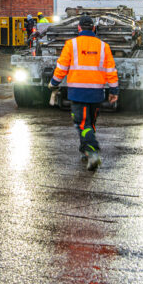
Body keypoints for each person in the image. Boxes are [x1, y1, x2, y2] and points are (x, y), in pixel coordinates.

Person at [48, 15, 119, 171]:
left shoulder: (71, 44)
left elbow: (62, 67)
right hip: (97, 93)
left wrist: (54, 83)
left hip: (78, 93)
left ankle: (92, 152)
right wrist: (114, 91)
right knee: (90, 123)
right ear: (93, 28)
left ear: (79, 28)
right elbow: (111, 71)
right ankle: (84, 151)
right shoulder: (103, 46)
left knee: (82, 124)